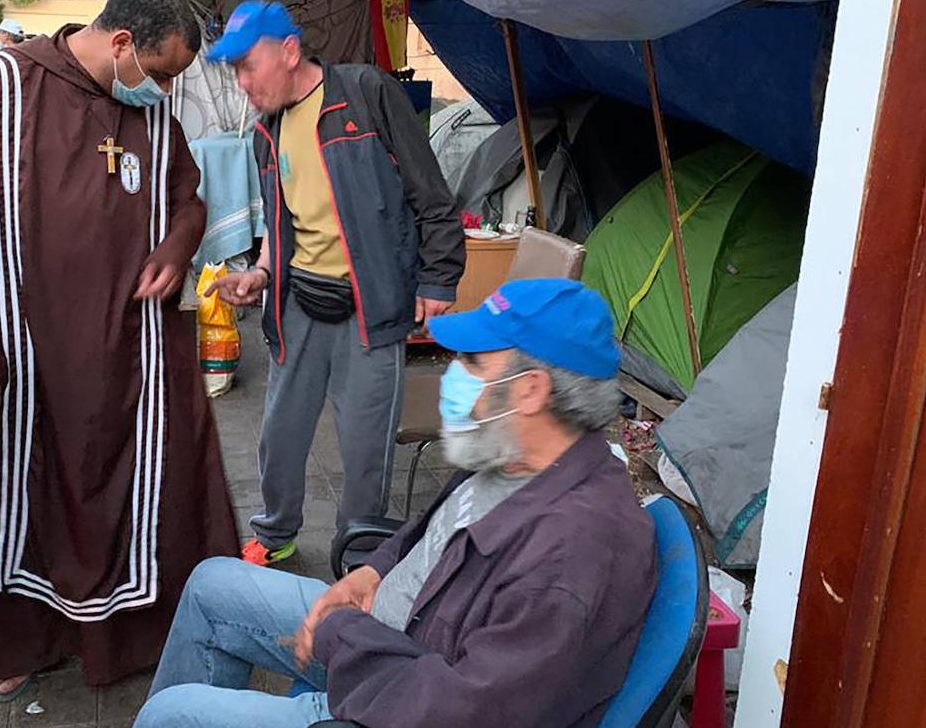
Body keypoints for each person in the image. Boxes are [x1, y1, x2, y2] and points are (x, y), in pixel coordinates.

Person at [136, 278, 657, 728]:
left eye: (473, 362)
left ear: (529, 391)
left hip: (398, 696)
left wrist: (339, 634)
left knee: (173, 713)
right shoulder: (522, 454)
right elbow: (441, 534)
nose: (453, 373)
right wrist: (377, 570)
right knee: (211, 585)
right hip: (389, 635)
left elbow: (466, 711)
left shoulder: (571, 553)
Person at [0, 0, 240, 699]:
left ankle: (131, 639)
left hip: (132, 351)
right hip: (33, 352)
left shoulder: (152, 116)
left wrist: (176, 246)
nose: (164, 90)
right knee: (25, 489)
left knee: (150, 484)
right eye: (160, 72)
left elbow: (187, 199)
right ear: (123, 42)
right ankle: (23, 640)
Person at [204, 1, 466, 566]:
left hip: (370, 306)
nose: (242, 84)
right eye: (235, 72)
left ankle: (358, 552)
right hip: (298, 302)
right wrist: (262, 273)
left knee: (366, 448)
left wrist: (440, 279)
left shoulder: (367, 95)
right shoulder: (265, 132)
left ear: (290, 50)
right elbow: (282, 222)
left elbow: (431, 194)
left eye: (249, 66)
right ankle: (276, 534)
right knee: (281, 433)